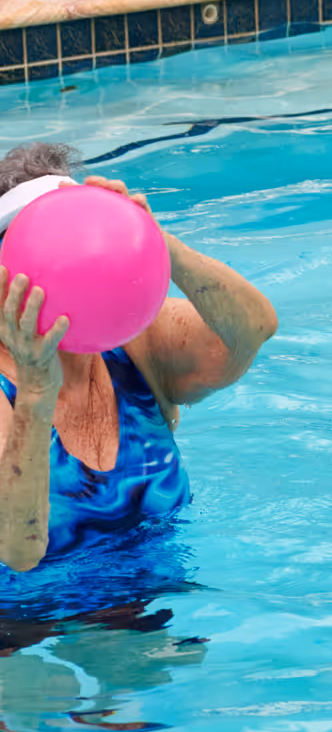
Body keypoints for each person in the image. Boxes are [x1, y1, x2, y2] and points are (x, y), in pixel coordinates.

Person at [0, 145, 278, 572]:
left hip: (159, 603)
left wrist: (161, 243)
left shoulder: (136, 343)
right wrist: (37, 391)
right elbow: (18, 551)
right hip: (30, 623)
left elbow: (253, 330)